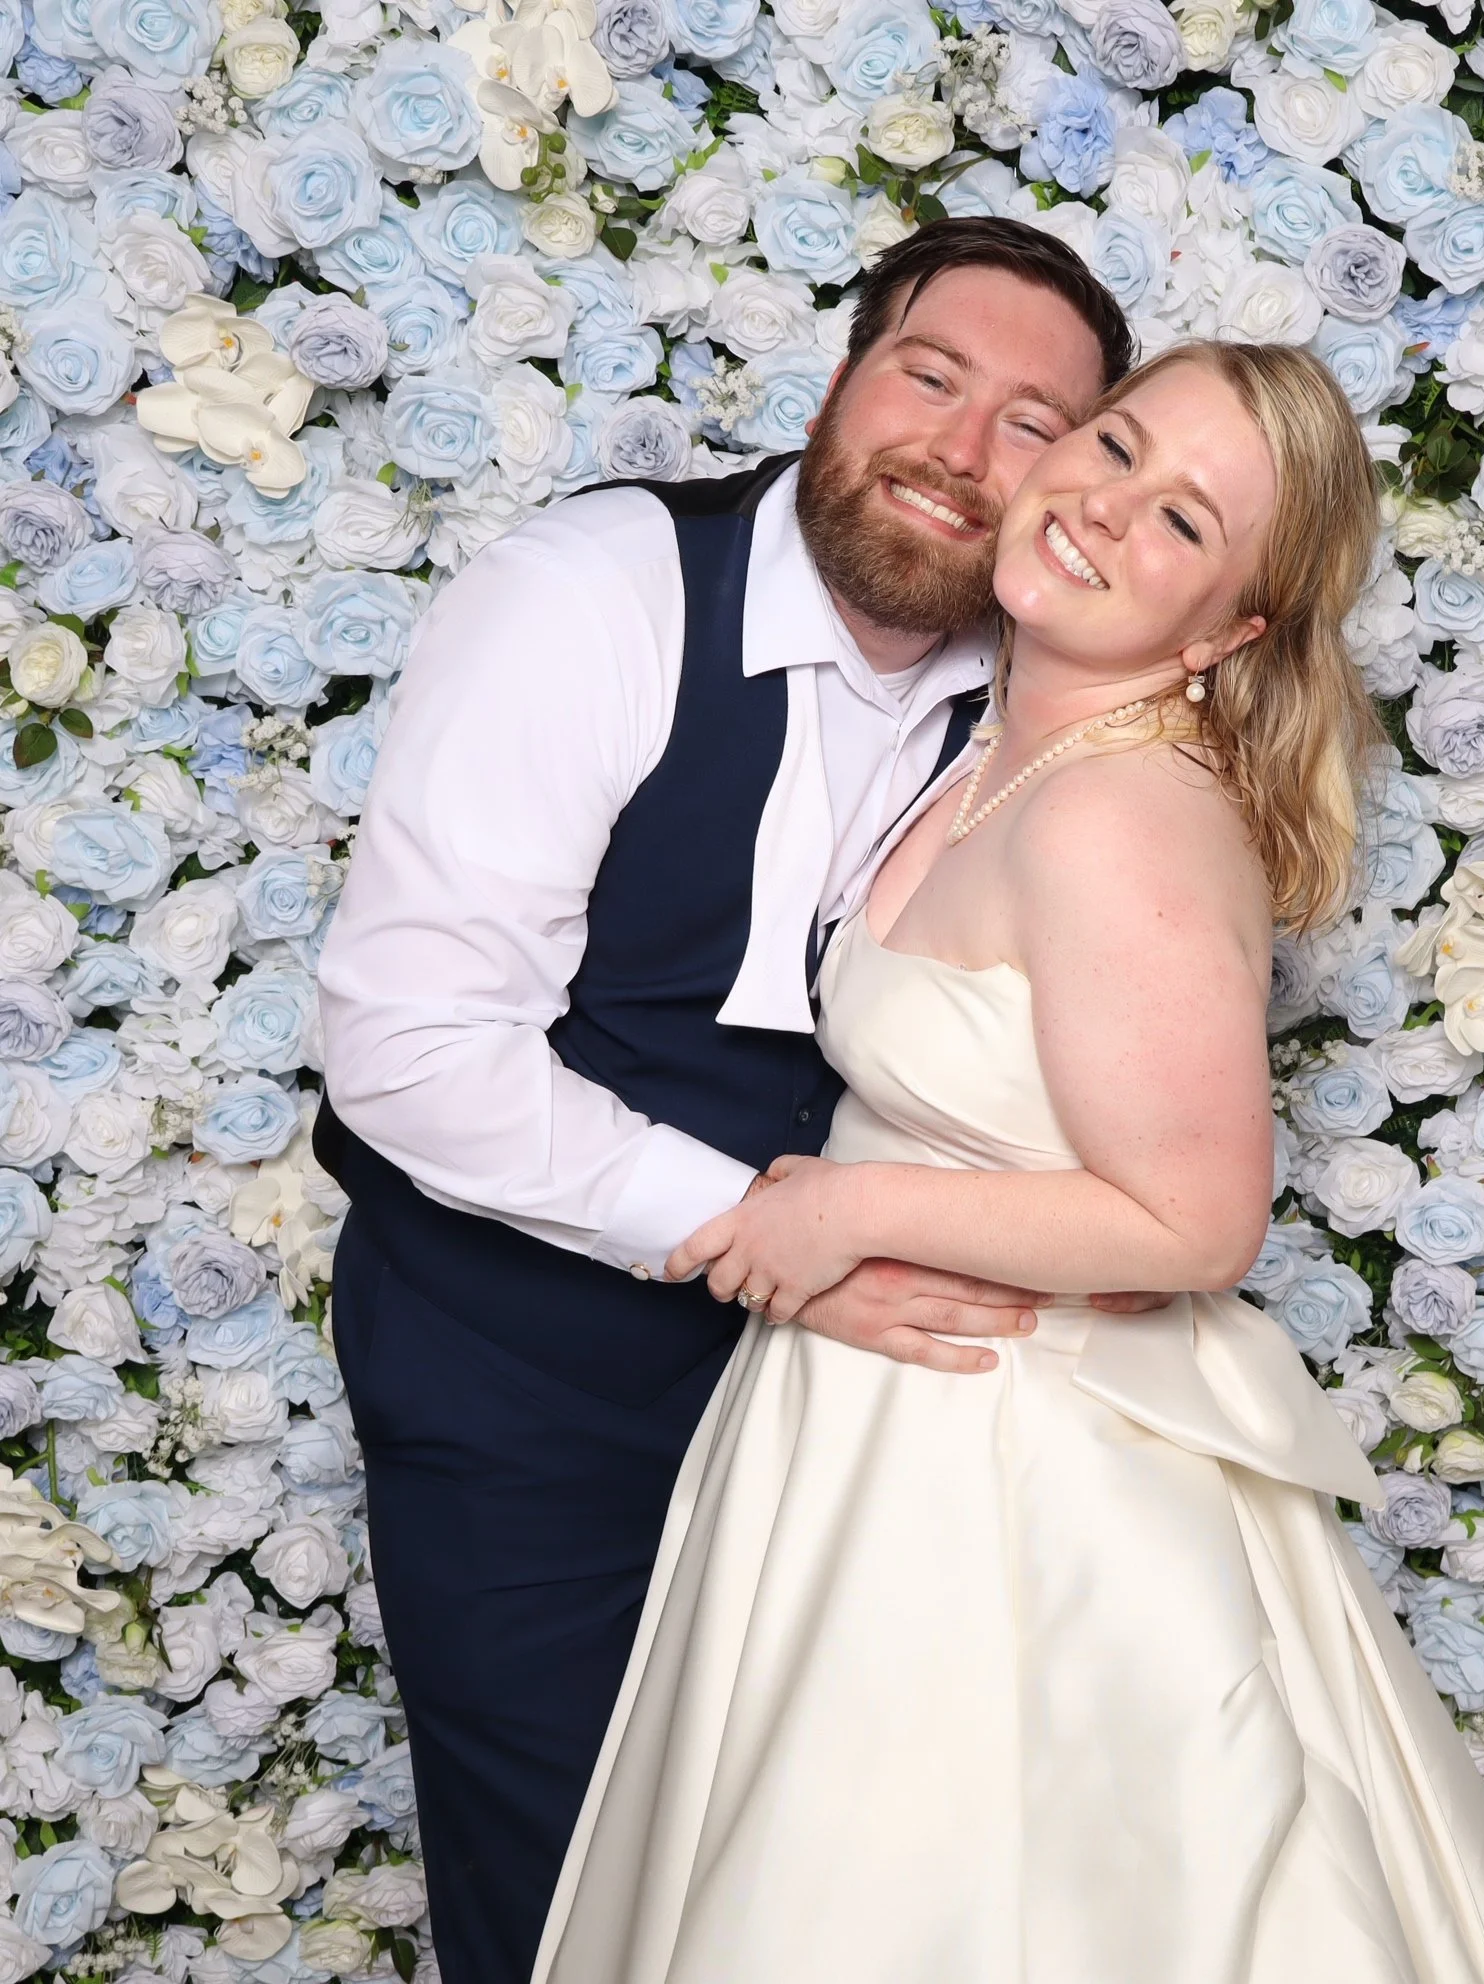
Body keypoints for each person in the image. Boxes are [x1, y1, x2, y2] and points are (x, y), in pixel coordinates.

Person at [531, 341, 1484, 1984]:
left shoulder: (1120, 817)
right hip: (877, 1425)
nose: (1097, 506)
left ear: (1228, 628)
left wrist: (848, 1206)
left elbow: (1198, 1217)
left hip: (1018, 1476)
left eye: (1178, 521)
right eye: (1112, 443)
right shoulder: (998, 748)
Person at [312, 219, 1136, 1984]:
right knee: (569, 1904)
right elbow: (407, 1048)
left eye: (1029, 426)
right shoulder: (594, 591)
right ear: (843, 381)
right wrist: (772, 1238)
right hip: (520, 1382)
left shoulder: (1054, 687)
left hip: (852, 1403)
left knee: (827, 1905)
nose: (956, 448)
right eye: (931, 377)